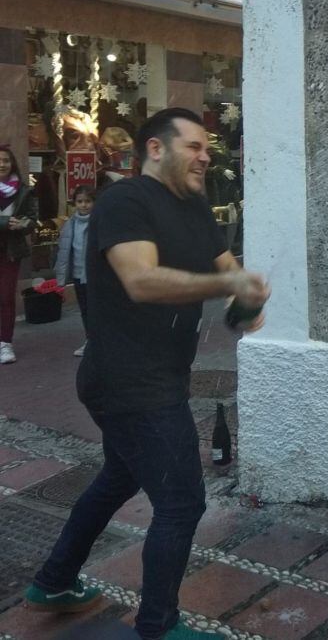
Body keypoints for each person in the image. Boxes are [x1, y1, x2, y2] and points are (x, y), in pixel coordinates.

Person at [24, 108, 270, 640]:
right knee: (182, 501)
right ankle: (158, 626)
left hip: (158, 377)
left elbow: (229, 273)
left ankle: (54, 580)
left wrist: (248, 297)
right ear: (156, 149)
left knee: (119, 475)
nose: (206, 156)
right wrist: (226, 287)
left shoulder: (196, 207)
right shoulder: (124, 201)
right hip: (127, 381)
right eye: (195, 146)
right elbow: (141, 280)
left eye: (208, 148)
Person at [0, 145, 38, 364]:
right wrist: (6, 222)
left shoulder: (23, 190)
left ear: (11, 163)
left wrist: (22, 224)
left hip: (11, 251)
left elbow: (32, 220)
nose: (2, 164)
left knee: (5, 297)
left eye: (5, 160)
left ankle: (5, 343)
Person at [55, 185, 95, 357]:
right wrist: (60, 277)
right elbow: (63, 250)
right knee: (85, 309)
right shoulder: (70, 224)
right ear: (74, 203)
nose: (84, 205)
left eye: (88, 201)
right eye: (80, 201)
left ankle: (98, 341)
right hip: (78, 275)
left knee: (96, 309)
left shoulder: (98, 222)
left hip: (94, 275)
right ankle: (89, 340)